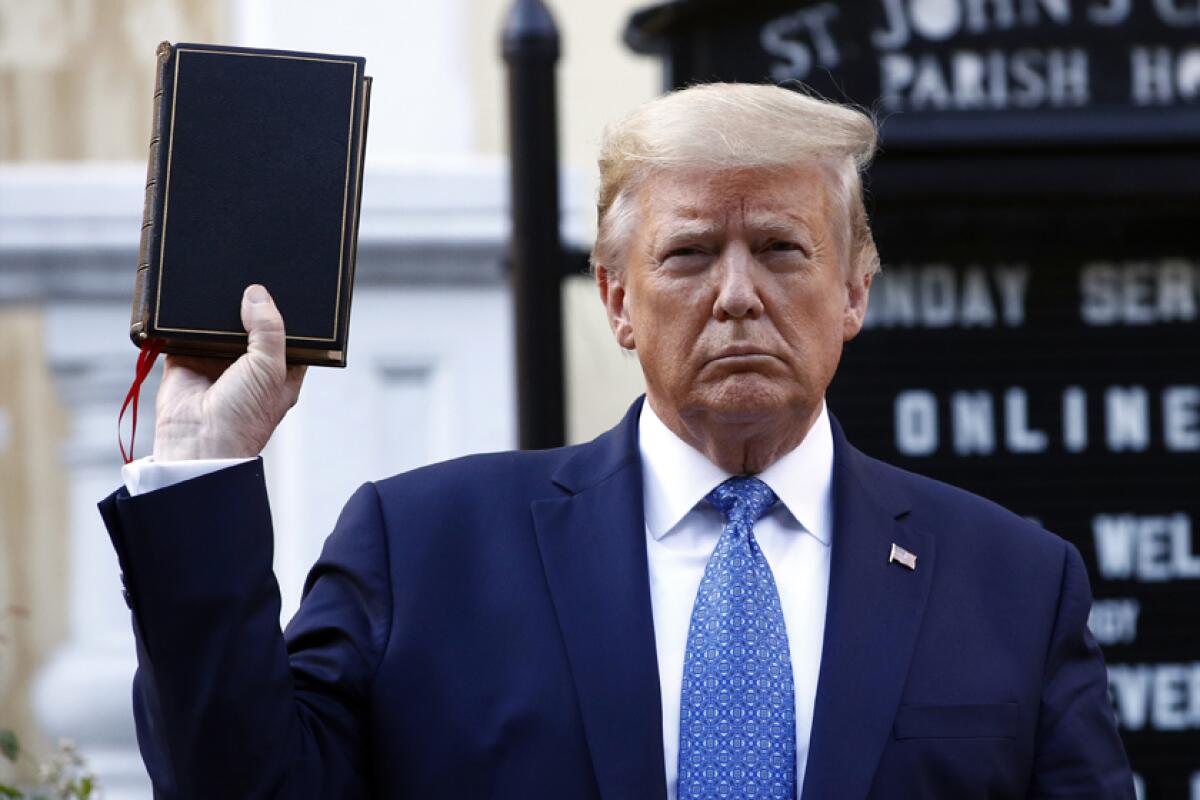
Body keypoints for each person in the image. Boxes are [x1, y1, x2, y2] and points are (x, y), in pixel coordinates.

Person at [100, 83, 1135, 799]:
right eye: (689, 253)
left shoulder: (1011, 582)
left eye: (781, 247)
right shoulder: (425, 549)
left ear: (855, 289)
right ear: (617, 297)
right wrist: (203, 471)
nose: (738, 295)